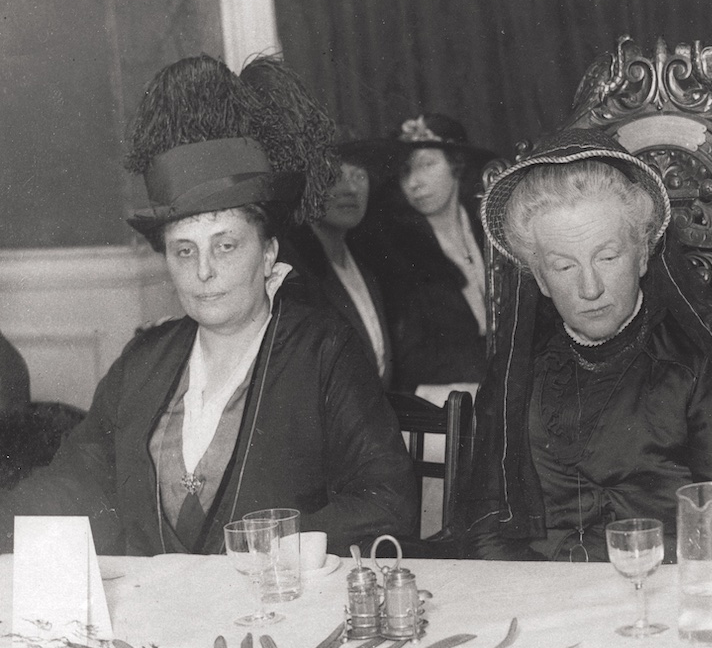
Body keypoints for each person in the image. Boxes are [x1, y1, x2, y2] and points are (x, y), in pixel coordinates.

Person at [0, 55, 418, 555]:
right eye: (184, 250)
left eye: (225, 245)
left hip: (279, 619)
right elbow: (76, 482)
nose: (203, 272)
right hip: (154, 626)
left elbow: (387, 501)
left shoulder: (322, 353)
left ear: (268, 254)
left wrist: (273, 544)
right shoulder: (144, 361)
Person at [459, 130, 712, 561]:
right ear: (541, 279)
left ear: (642, 254)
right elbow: (485, 525)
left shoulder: (694, 368)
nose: (590, 288)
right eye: (564, 266)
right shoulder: (516, 371)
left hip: (663, 599)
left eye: (607, 257)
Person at [355, 114, 492, 390]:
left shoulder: (487, 228)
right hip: (442, 404)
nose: (415, 182)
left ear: (456, 164)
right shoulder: (396, 250)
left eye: (427, 164)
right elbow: (409, 358)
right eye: (405, 171)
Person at [278, 140, 392, 386]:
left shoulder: (366, 264)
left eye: (359, 176)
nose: (350, 188)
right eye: (333, 176)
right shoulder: (293, 269)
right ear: (308, 187)